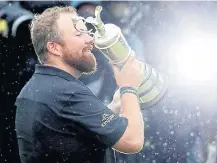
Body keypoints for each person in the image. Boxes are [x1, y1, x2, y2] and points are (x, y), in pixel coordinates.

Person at [14, 6, 144, 163]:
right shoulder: (67, 92)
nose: (90, 39)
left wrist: (114, 107)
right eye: (78, 34)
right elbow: (132, 141)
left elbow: (70, 133)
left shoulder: (35, 88)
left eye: (86, 31)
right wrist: (129, 87)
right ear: (54, 47)